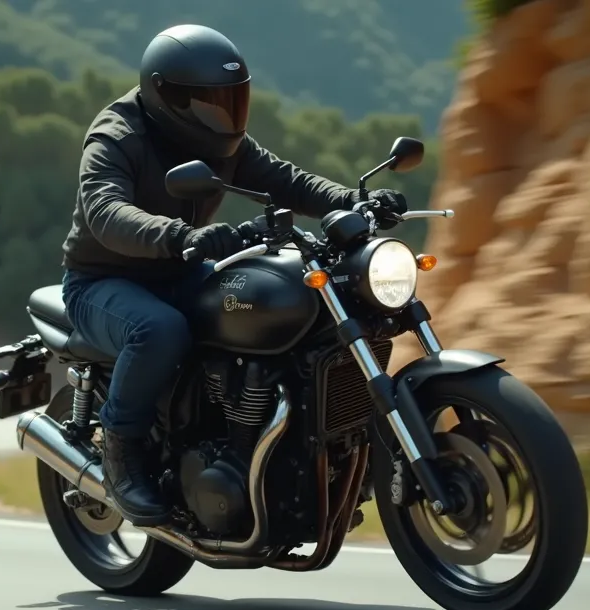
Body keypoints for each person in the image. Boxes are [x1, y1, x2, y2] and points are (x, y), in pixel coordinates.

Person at [58, 24, 407, 526]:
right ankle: (121, 452)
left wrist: (355, 202)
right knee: (159, 330)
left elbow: (287, 181)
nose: (221, 114)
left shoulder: (220, 139)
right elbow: (106, 211)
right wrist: (181, 237)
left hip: (182, 268)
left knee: (286, 304)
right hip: (103, 281)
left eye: (229, 100)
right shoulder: (118, 136)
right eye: (206, 103)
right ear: (164, 94)